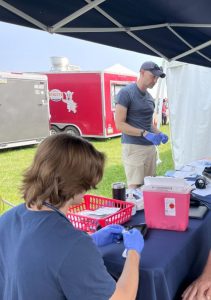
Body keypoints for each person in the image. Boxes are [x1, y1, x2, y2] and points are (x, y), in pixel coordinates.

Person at [0, 133, 144, 300]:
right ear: (76, 182)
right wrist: (134, 253)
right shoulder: (73, 245)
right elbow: (122, 297)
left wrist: (92, 240)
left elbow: (42, 262)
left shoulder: (6, 219)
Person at [115, 61, 169, 198]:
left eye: (157, 78)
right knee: (135, 189)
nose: (155, 80)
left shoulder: (150, 98)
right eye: (153, 76)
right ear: (142, 72)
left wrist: (159, 133)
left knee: (150, 186)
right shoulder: (126, 93)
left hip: (149, 148)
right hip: (133, 148)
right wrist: (143, 133)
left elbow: (148, 124)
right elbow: (119, 124)